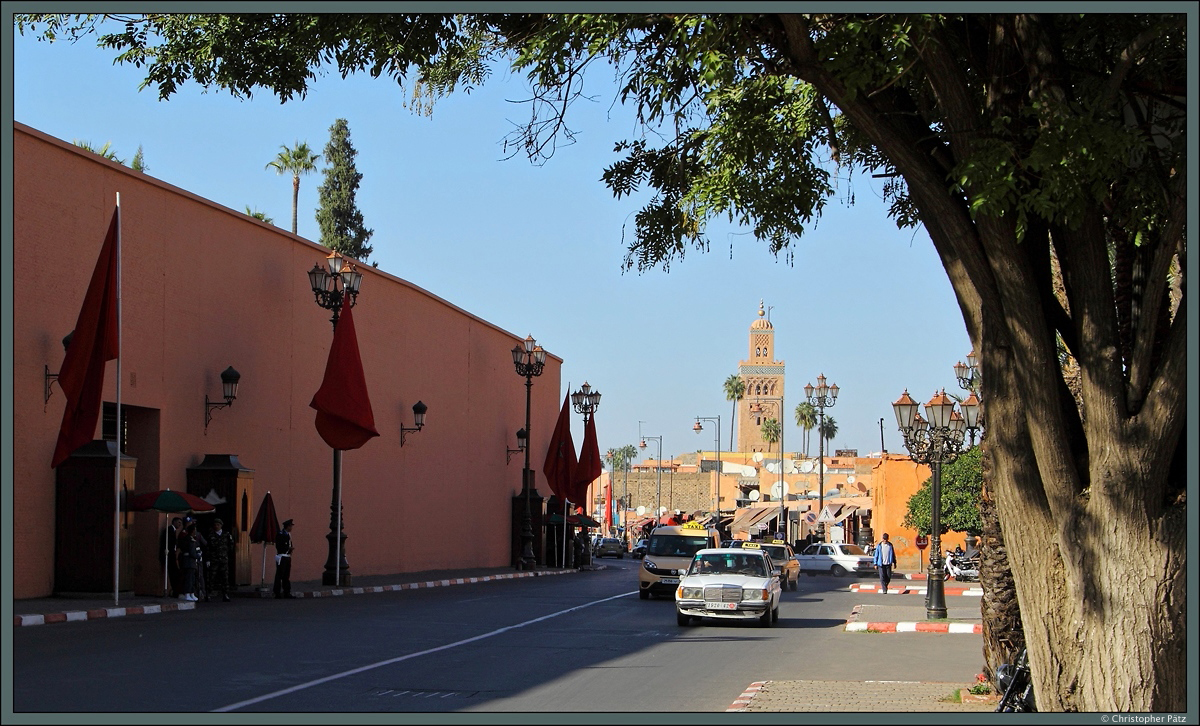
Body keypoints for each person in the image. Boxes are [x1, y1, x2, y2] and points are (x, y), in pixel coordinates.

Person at [205, 518, 235, 602]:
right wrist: (208, 559)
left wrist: (227, 554)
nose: (216, 526)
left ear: (221, 525)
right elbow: (208, 548)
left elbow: (231, 545)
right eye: (215, 525)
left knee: (225, 577)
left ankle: (225, 594)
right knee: (211, 577)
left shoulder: (226, 534)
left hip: (223, 559)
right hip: (214, 559)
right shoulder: (211, 535)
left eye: (218, 525)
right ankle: (209, 593)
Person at [176, 522, 202, 601]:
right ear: (193, 531)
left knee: (192, 579)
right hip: (189, 562)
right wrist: (198, 555)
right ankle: (187, 593)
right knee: (189, 579)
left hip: (190, 562)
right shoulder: (189, 539)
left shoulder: (190, 539)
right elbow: (191, 552)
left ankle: (191, 593)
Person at [162, 517, 183, 597]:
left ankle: (175, 590)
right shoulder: (169, 530)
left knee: (175, 573)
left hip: (172, 554)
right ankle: (174, 591)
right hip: (169, 554)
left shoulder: (173, 531)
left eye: (180, 523)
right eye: (178, 522)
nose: (179, 524)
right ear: (174, 522)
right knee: (173, 573)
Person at [274, 519, 295, 599]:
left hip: (287, 556)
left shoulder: (288, 535)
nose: (291, 528)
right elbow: (279, 546)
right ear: (288, 526)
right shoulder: (280, 534)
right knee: (279, 575)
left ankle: (287, 592)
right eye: (290, 526)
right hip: (282, 556)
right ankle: (277, 592)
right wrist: (288, 548)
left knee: (286, 575)